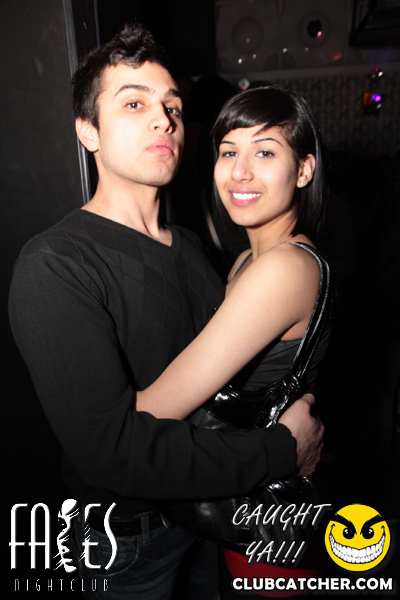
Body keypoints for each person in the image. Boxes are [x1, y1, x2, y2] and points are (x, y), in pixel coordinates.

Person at [8, 24, 323, 600]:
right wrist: (279, 450)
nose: (164, 119)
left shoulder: (192, 248)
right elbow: (111, 453)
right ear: (88, 131)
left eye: (172, 106)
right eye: (135, 103)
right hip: (125, 543)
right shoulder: (55, 264)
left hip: (210, 517)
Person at [134, 84, 332, 596]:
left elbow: (153, 412)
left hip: (267, 525)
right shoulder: (248, 260)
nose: (239, 172)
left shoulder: (284, 269)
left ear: (304, 169)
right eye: (228, 152)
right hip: (242, 502)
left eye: (264, 152)